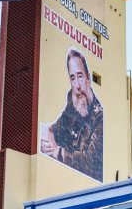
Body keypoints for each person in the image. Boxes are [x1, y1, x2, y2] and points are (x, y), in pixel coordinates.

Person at [41, 48, 103, 182]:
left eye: (80, 76)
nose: (77, 86)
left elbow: (90, 161)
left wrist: (58, 151)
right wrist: (50, 138)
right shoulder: (73, 101)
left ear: (88, 78)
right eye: (72, 78)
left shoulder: (99, 117)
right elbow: (56, 128)